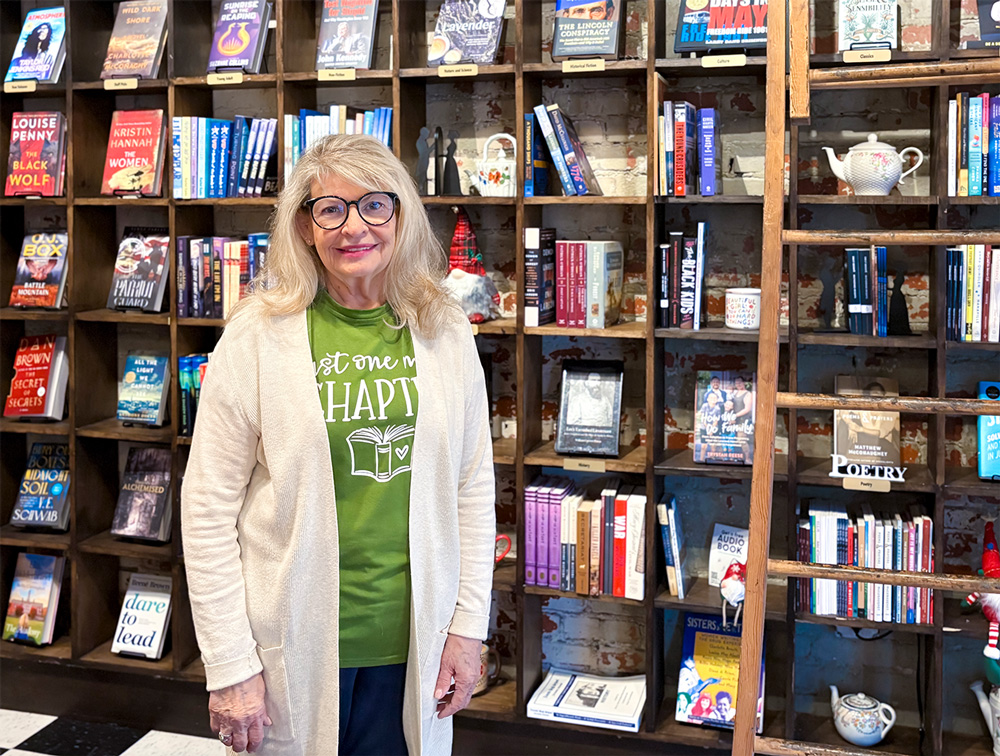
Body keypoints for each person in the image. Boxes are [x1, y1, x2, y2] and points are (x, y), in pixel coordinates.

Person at [181, 134, 496, 755]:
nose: (355, 228)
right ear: (303, 226)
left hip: (414, 648)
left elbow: (472, 487)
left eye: (375, 206)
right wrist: (229, 663)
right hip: (292, 649)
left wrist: (466, 628)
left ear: (401, 215)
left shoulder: (445, 328)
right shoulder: (256, 335)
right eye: (331, 209)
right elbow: (207, 508)